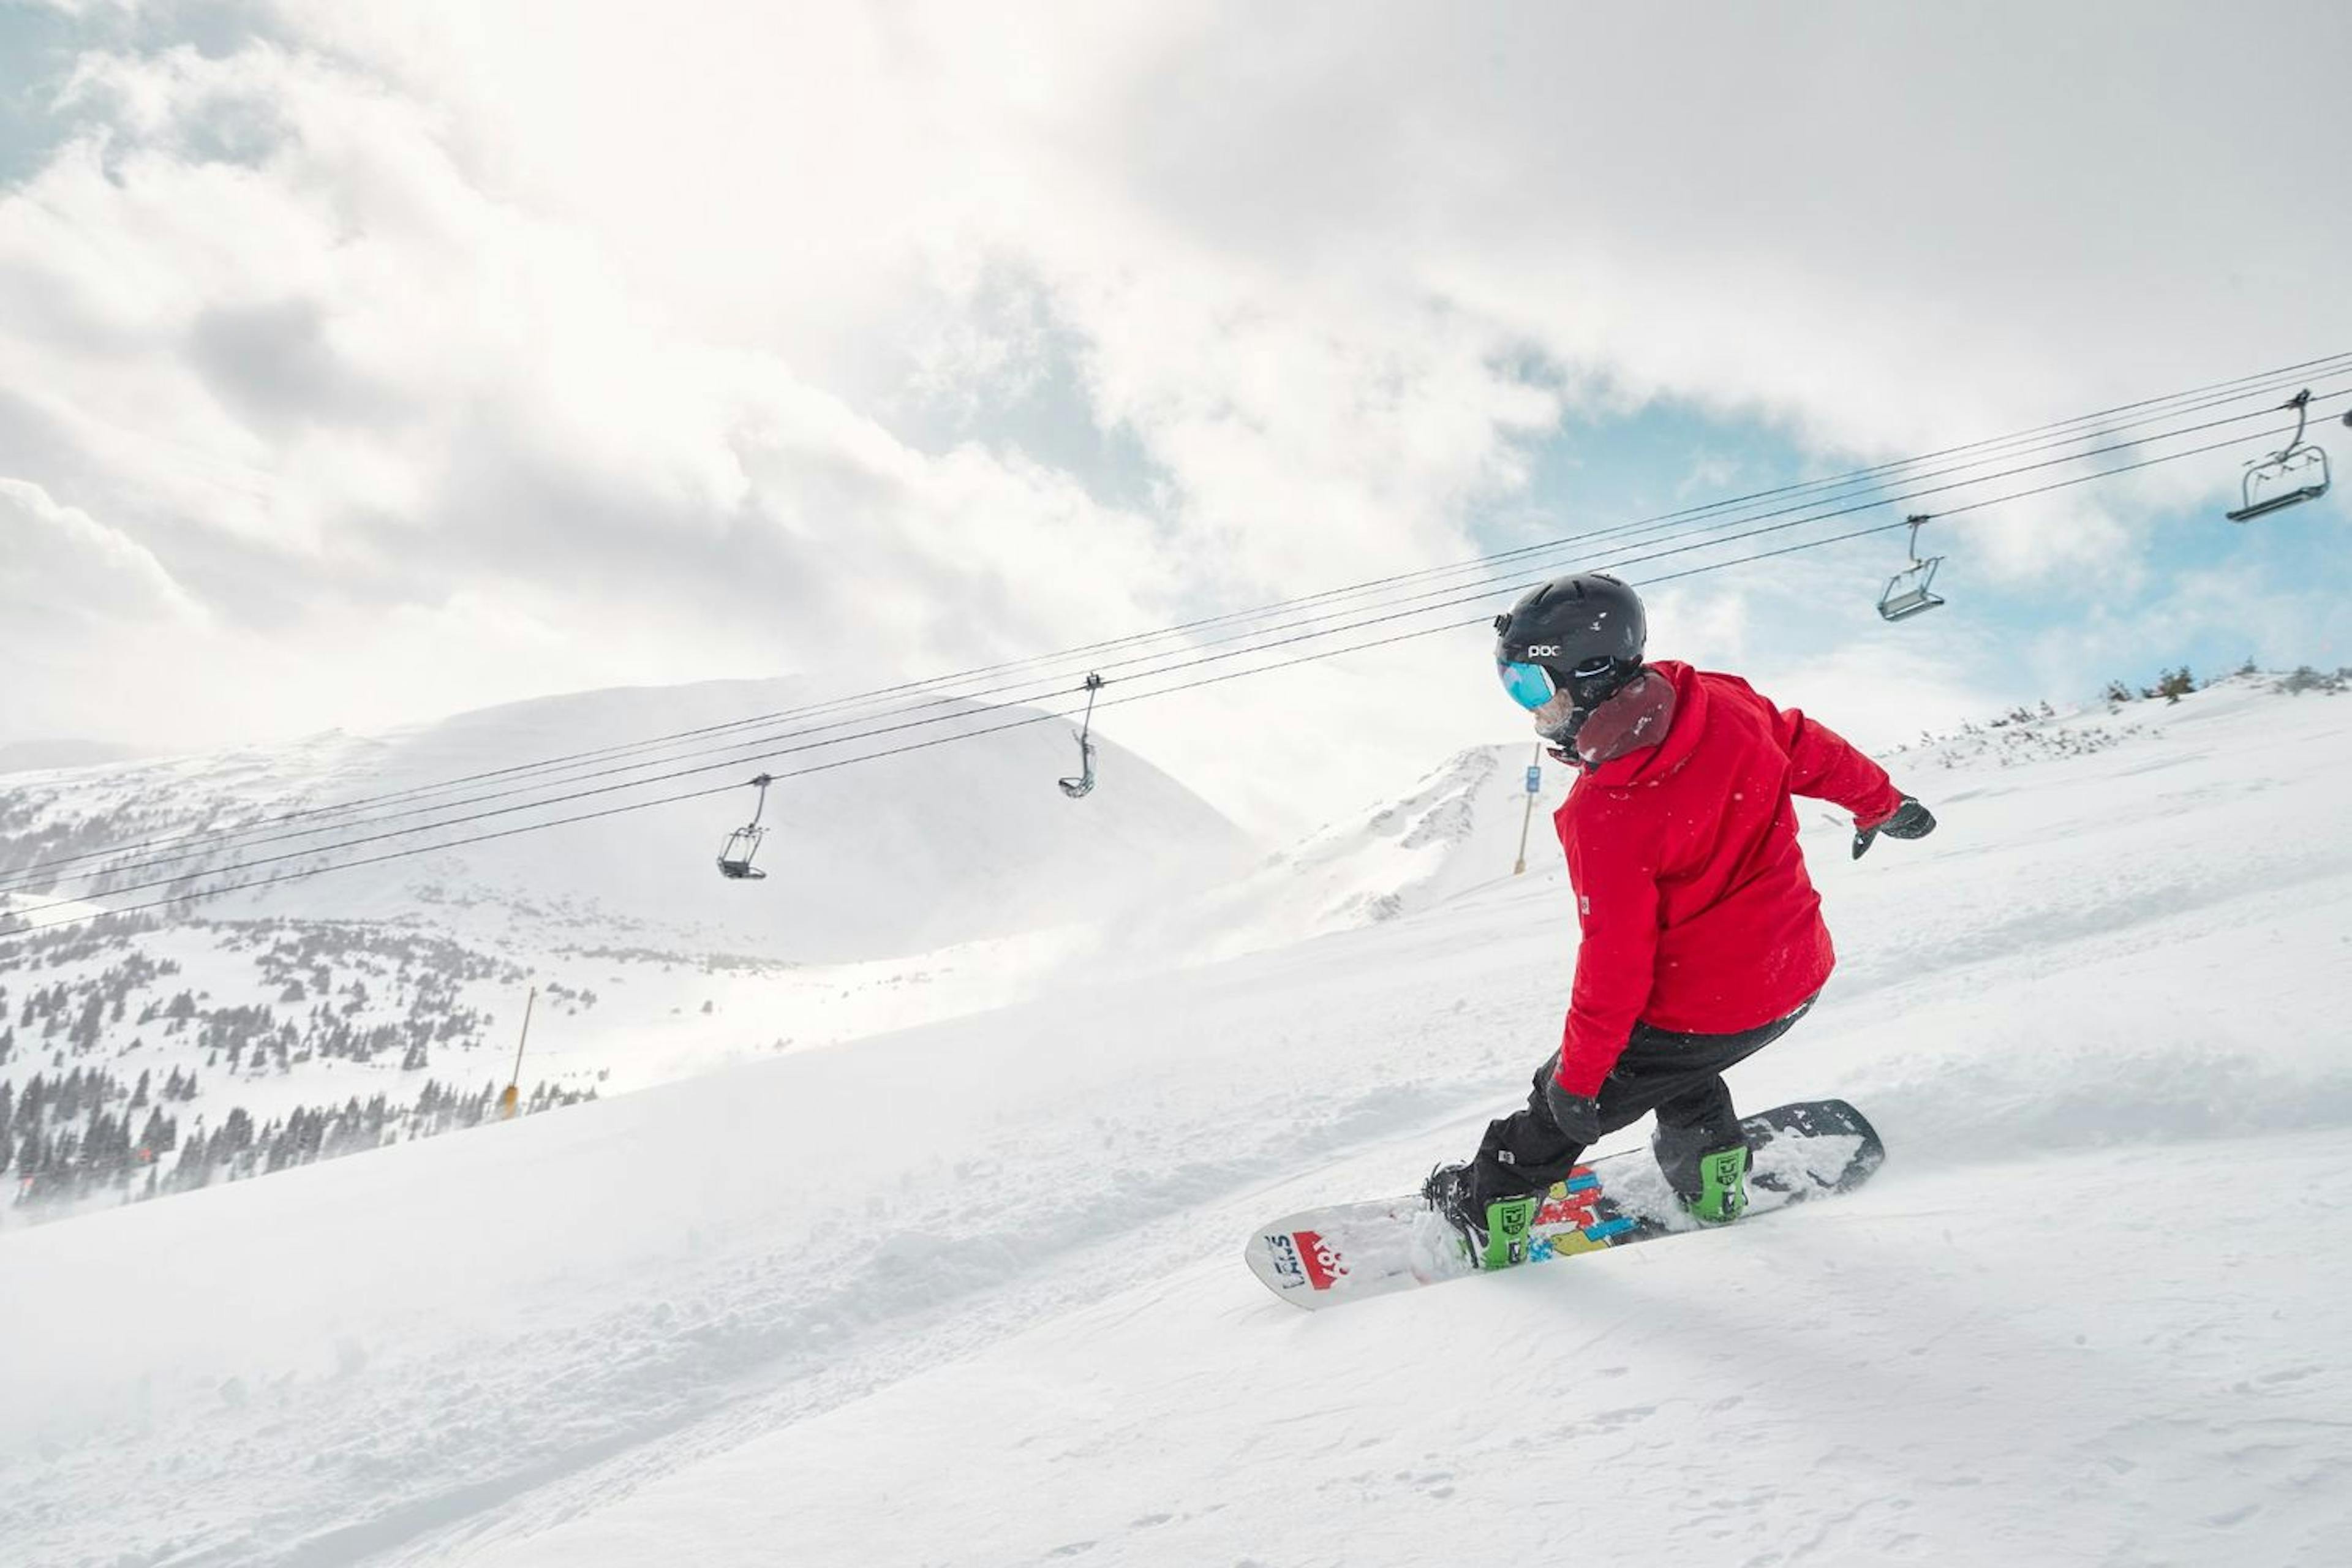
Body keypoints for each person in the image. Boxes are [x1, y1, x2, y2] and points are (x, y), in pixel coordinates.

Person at [1423, 571, 1936, 1267]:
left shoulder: (1607, 810)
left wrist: (1577, 1081)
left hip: (1708, 1003)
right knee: (1681, 1058)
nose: (1529, 711)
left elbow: (1615, 960)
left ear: (1595, 675)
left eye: (1532, 690)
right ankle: (1712, 1174)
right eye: (1513, 685)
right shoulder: (1721, 701)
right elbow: (1808, 747)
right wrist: (1882, 802)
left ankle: (1492, 1204)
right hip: (1795, 977)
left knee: (1570, 1098)